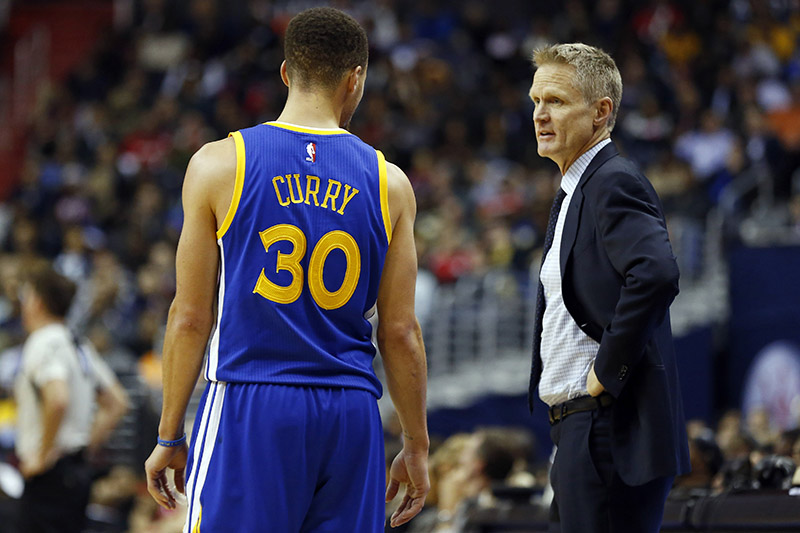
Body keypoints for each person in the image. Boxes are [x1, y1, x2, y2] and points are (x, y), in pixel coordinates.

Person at [144, 7, 430, 532]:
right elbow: (400, 331)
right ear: (355, 79)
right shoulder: (390, 183)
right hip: (350, 411)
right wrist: (416, 443)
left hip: (252, 399)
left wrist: (169, 434)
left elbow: (189, 316)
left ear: (285, 72)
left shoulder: (218, 163)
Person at [526, 43, 690, 533]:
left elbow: (656, 273)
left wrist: (608, 367)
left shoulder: (612, 181)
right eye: (536, 101)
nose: (540, 114)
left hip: (609, 429)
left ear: (600, 112)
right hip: (582, 430)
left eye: (556, 101)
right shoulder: (577, 188)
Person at [15, 262, 129, 533]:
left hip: (49, 477)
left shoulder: (43, 341)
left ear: (37, 301)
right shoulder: (78, 344)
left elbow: (58, 399)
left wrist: (42, 456)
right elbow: (117, 403)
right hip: (76, 472)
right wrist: (85, 446)